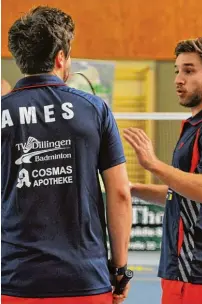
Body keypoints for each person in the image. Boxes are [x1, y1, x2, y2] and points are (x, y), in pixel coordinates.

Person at [1, 6, 132, 304]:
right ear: (61, 57)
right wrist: (121, 269)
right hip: (84, 281)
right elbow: (121, 193)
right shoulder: (94, 109)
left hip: (14, 281)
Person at [123, 37, 202, 304]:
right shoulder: (198, 126)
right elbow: (183, 195)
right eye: (177, 70)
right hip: (184, 271)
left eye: (189, 70)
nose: (178, 79)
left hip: (198, 271)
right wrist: (133, 189)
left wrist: (153, 164)